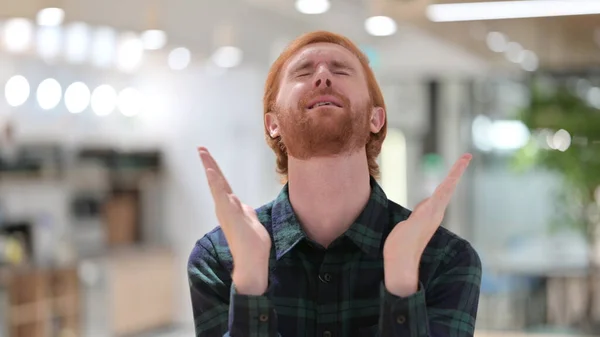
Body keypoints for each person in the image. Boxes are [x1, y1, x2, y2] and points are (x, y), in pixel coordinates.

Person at [188, 30, 481, 337]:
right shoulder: (219, 258)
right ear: (272, 124)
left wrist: (403, 283)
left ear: (375, 119)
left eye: (340, 70)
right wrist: (249, 283)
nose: (323, 77)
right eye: (303, 71)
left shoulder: (445, 258)